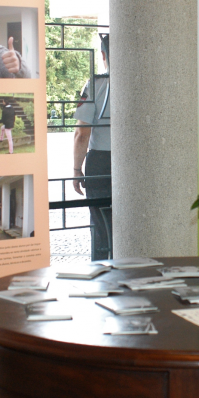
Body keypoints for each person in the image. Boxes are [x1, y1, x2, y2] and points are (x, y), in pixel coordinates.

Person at [74, 34, 112, 261]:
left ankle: (104, 279)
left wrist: (77, 170)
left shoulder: (96, 83)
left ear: (103, 55)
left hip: (101, 163)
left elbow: (82, 134)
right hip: (135, 162)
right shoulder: (143, 82)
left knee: (102, 228)